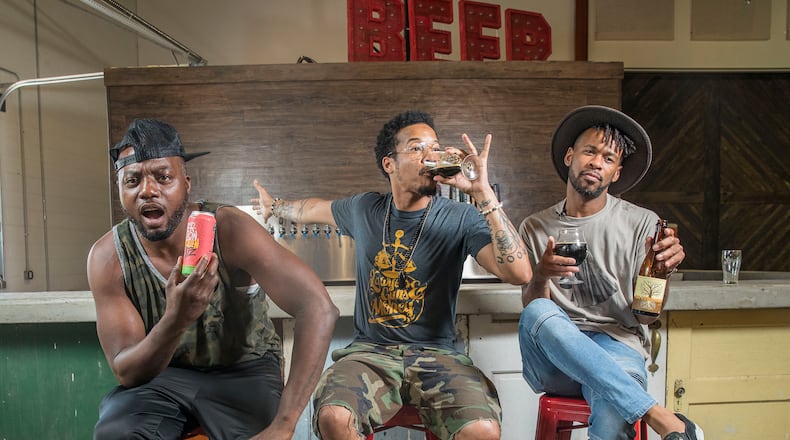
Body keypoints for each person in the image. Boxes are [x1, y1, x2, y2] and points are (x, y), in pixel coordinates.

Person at [251, 110, 532, 439]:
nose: (430, 155)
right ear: (390, 164)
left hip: (438, 355)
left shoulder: (462, 217)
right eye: (416, 148)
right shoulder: (364, 209)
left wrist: (482, 193)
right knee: (334, 419)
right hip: (369, 354)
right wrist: (276, 206)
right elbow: (311, 208)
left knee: (482, 430)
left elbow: (520, 272)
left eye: (435, 146)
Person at [87, 118, 338, 439]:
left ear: (186, 183)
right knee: (117, 433)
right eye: (132, 180)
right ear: (120, 189)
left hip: (245, 371)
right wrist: (176, 318)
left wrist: (284, 425)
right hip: (166, 377)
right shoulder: (108, 256)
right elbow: (127, 370)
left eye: (163, 178)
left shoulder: (230, 228)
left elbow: (317, 308)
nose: (148, 191)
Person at [517, 105, 704, 439]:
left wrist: (660, 275)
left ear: (616, 173)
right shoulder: (534, 226)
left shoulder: (643, 224)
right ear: (570, 156)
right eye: (590, 151)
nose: (596, 162)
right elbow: (531, 311)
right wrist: (542, 274)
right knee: (539, 310)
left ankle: (635, 404)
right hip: (554, 361)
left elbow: (645, 317)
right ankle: (660, 417)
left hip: (618, 345)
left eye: (608, 158)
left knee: (613, 414)